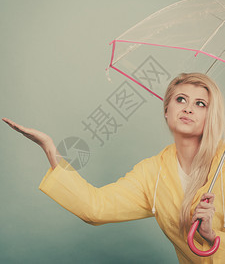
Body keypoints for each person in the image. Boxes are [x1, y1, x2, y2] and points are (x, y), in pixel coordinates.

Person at [2, 72, 225, 264]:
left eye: (200, 103)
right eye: (181, 99)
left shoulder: (222, 164)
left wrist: (211, 236)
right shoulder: (152, 173)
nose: (188, 108)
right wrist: (49, 147)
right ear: (166, 110)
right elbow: (94, 208)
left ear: (211, 116)